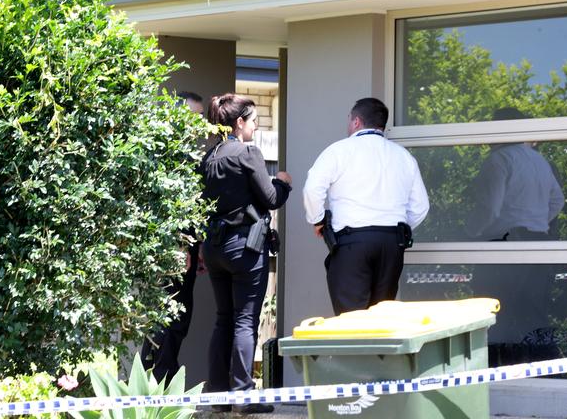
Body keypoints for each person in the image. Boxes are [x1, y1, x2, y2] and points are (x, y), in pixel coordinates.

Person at [200, 93, 292, 414]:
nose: (256, 125)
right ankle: (243, 397)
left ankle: (218, 396)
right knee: (244, 321)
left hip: (214, 248)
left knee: (223, 319)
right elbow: (269, 198)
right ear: (239, 123)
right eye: (253, 120)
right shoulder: (248, 153)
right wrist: (283, 183)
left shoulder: (209, 157)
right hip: (246, 248)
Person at [303, 97, 429, 316]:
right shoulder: (403, 156)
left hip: (353, 243)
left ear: (356, 122)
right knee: (382, 319)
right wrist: (394, 227)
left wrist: (318, 220)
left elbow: (312, 189)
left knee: (351, 320)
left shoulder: (339, 150)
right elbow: (421, 206)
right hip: (391, 244)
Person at [141, 91, 205, 384]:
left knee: (178, 317)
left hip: (188, 249)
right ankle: (158, 378)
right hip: (172, 252)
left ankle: (161, 373)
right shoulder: (168, 155)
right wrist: (179, 245)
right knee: (170, 316)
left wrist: (198, 246)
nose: (200, 125)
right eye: (195, 118)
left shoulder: (186, 154)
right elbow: (167, 206)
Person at [465, 107, 564, 241]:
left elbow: (491, 207)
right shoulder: (539, 159)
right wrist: (535, 223)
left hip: (506, 239)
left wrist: (471, 231)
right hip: (538, 238)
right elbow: (557, 201)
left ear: (498, 130)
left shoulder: (498, 159)